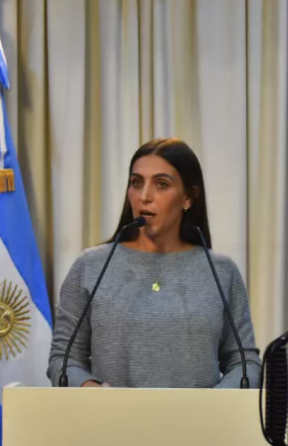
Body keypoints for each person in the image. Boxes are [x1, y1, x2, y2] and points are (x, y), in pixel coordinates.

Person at [46, 138, 262, 389]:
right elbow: (64, 359)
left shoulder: (222, 271)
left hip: (199, 416)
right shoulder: (90, 265)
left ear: (188, 198)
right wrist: (93, 392)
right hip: (112, 414)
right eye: (136, 183)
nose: (144, 196)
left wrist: (213, 403)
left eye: (161, 184)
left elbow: (245, 363)